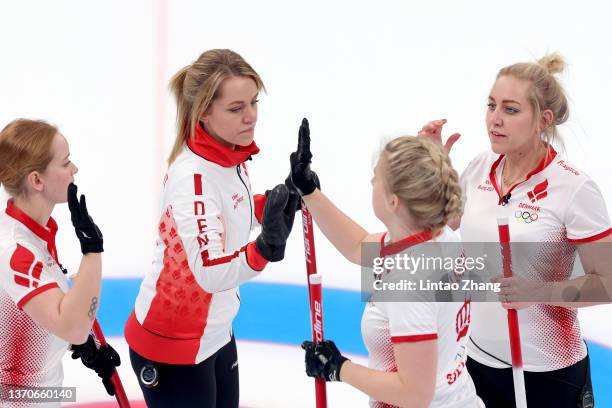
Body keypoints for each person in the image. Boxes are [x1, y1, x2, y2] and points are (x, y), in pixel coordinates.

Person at [418, 53, 612, 407]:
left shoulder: (573, 188)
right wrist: (437, 173)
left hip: (548, 375)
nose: (494, 119)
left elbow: (609, 282)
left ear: (543, 119)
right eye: (491, 106)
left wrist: (540, 291)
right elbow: (444, 224)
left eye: (510, 109)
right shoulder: (480, 168)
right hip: (476, 363)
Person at [124, 49, 299, 407]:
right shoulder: (193, 180)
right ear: (204, 111)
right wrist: (263, 249)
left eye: (253, 102)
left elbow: (231, 210)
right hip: (172, 344)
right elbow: (208, 271)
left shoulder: (229, 154)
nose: (250, 116)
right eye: (236, 108)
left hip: (214, 331)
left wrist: (281, 200)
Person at [291, 119, 482, 407]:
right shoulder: (440, 237)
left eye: (376, 176)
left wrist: (338, 367)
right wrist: (310, 192)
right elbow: (357, 246)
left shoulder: (409, 283)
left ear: (394, 201)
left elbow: (415, 394)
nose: (371, 181)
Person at [0, 119, 120, 407]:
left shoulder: (37, 233)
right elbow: (73, 325)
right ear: (37, 180)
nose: (74, 169)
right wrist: (92, 250)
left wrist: (85, 345)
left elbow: (47, 315)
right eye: (65, 163)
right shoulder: (17, 250)